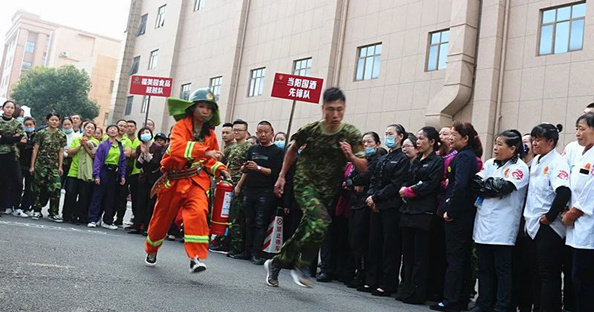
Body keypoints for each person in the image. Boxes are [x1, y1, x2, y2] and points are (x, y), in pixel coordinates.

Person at [264, 87, 367, 288]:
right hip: (305, 183)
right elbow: (292, 149)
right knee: (321, 222)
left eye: (339, 109)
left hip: (327, 190)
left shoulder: (351, 133)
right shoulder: (310, 130)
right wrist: (282, 176)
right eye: (330, 109)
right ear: (323, 109)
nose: (335, 114)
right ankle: (302, 266)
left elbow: (364, 167)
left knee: (308, 228)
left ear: (344, 108)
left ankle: (276, 263)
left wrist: (351, 157)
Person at [144, 88, 230, 273]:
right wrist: (203, 151)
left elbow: (210, 160)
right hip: (172, 182)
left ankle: (195, 258)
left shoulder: (211, 135)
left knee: (199, 213)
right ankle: (151, 250)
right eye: (202, 106)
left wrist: (220, 169)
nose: (206, 111)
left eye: (209, 108)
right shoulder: (180, 127)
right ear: (192, 108)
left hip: (196, 180)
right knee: (160, 222)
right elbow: (175, 149)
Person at [469, 130, 529, 312]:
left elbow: (503, 188)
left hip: (504, 227)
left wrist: (488, 186)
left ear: (513, 148)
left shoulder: (520, 168)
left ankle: (502, 306)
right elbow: (474, 183)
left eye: (500, 144)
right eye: (495, 143)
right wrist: (490, 185)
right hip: (484, 224)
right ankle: (484, 303)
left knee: (502, 270)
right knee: (484, 268)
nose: (495, 147)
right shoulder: (489, 164)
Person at [431, 121, 483, 312]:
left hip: (458, 216)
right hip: (462, 214)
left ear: (466, 138)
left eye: (454, 134)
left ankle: (452, 299)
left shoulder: (464, 158)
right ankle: (459, 298)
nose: (450, 138)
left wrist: (450, 211)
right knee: (459, 257)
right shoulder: (466, 156)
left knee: (455, 258)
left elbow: (460, 186)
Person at [522, 123, 571, 312]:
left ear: (551, 141)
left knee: (547, 273)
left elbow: (563, 192)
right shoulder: (536, 161)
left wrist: (550, 217)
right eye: (533, 139)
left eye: (538, 139)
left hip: (548, 228)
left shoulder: (558, 162)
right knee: (534, 272)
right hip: (532, 224)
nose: (534, 143)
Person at [363, 123, 410, 297]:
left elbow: (395, 184)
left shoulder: (402, 160)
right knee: (374, 244)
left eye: (391, 134)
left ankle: (387, 283)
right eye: (386, 133)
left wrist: (376, 197)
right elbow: (374, 180)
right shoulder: (383, 158)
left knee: (390, 246)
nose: (387, 137)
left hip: (391, 207)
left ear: (400, 137)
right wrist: (371, 197)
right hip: (375, 207)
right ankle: (371, 280)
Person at [398, 126, 444, 304]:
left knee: (420, 256)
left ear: (432, 142)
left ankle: (417, 292)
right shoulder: (416, 161)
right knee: (407, 253)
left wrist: (411, 190)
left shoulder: (436, 161)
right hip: (408, 211)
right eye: (416, 138)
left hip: (423, 212)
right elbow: (406, 179)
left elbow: (430, 184)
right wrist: (405, 188)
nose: (418, 142)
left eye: (421, 138)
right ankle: (406, 289)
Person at [234, 121, 284, 265]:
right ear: (256, 133)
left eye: (265, 131)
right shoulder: (253, 149)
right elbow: (246, 169)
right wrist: (244, 170)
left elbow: (275, 173)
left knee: (260, 222)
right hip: (249, 189)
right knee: (248, 221)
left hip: (266, 191)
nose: (262, 134)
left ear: (272, 133)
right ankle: (246, 250)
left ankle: (257, 253)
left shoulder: (278, 151)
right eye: (260, 132)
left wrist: (258, 168)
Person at [346, 131, 386, 289]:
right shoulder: (361, 159)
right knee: (353, 240)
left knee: (361, 241)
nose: (366, 145)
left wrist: (356, 181)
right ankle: (358, 272)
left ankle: (364, 275)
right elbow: (350, 178)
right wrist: (353, 183)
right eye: (364, 142)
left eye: (369, 142)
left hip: (366, 204)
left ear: (377, 144)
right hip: (355, 202)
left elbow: (367, 176)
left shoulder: (377, 160)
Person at [562, 112, 594, 312]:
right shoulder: (582, 153)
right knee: (576, 277)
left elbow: (591, 189)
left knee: (584, 278)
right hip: (575, 226)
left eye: (582, 129)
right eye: (576, 129)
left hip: (587, 224)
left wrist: (573, 212)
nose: (577, 133)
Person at [30, 112, 67, 222]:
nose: (54, 122)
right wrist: (32, 165)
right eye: (52, 120)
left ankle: (53, 212)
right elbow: (35, 149)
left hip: (54, 166)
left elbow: (61, 151)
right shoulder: (41, 133)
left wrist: (60, 166)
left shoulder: (61, 135)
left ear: (59, 122)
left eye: (56, 120)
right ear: (47, 121)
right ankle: (36, 210)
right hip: (40, 165)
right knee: (37, 188)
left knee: (56, 188)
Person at [87, 124, 126, 229]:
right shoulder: (103, 145)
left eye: (115, 129)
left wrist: (122, 175)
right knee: (97, 196)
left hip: (114, 172)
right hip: (104, 170)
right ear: (107, 132)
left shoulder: (120, 145)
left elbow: (122, 161)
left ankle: (107, 221)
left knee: (110, 198)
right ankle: (93, 219)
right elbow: (98, 160)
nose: (113, 131)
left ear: (118, 133)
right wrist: (97, 175)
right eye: (110, 129)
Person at [130, 130, 167, 235]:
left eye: (147, 132)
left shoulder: (158, 148)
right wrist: (142, 154)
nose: (145, 134)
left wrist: (147, 154)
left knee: (150, 203)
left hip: (154, 177)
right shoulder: (139, 147)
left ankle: (147, 227)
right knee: (140, 202)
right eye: (143, 132)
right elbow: (138, 165)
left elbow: (156, 164)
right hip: (143, 177)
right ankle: (137, 225)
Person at [63, 121, 99, 224]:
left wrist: (86, 145)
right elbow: (70, 152)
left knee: (83, 196)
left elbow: (94, 156)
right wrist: (80, 145)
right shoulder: (76, 138)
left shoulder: (96, 142)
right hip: (74, 170)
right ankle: (67, 215)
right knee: (70, 193)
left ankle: (77, 216)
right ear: (84, 128)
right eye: (88, 127)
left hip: (87, 172)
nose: (89, 130)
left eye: (92, 128)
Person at [226, 119, 252, 259]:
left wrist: (239, 186)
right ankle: (229, 242)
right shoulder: (233, 146)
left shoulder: (248, 147)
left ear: (246, 132)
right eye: (234, 130)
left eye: (239, 130)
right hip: (229, 182)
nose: (236, 132)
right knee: (229, 214)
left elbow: (246, 170)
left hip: (239, 184)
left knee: (237, 216)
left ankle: (237, 246)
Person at [0, 100, 25, 216]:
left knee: (5, 181)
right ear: (3, 108)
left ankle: (2, 207)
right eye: (7, 107)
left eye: (11, 108)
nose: (9, 109)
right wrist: (10, 138)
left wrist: (4, 138)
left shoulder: (17, 123)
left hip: (10, 154)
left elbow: (19, 138)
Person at [114, 119, 136, 227]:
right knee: (110, 194)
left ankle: (119, 219)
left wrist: (113, 151)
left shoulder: (127, 141)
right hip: (111, 170)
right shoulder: (109, 138)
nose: (122, 128)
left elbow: (128, 153)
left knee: (122, 196)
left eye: (124, 126)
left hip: (125, 171)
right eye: (120, 126)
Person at [17, 117, 36, 216]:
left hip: (31, 164)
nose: (28, 127)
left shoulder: (37, 136)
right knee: (18, 184)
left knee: (29, 187)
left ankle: (26, 207)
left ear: (34, 125)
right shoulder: (21, 135)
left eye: (30, 125)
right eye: (27, 125)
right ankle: (15, 206)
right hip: (20, 163)